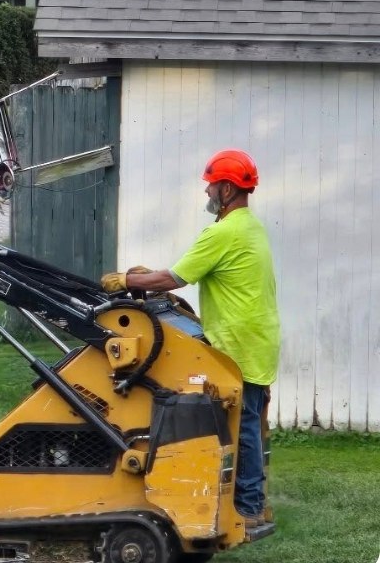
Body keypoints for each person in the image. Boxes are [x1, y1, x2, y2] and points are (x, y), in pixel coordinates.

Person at [100, 148, 280, 529]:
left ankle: (248, 508)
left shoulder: (223, 232)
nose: (207, 192)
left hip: (238, 343)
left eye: (211, 186)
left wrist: (127, 280)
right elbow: (184, 274)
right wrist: (149, 277)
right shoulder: (251, 227)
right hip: (257, 339)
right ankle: (252, 501)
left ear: (227, 189)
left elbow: (175, 278)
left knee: (243, 426)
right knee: (249, 421)